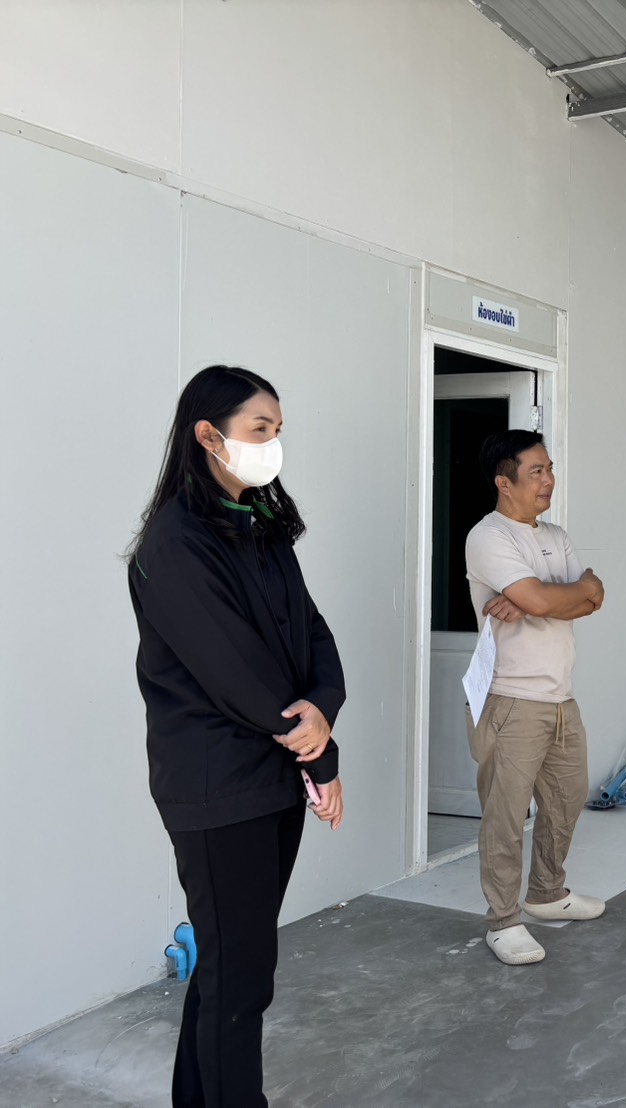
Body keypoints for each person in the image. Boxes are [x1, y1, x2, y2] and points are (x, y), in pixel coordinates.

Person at [128, 365, 345, 1107]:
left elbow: (310, 631)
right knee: (239, 977)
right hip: (217, 786)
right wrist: (319, 750)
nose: (273, 443)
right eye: (260, 428)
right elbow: (234, 670)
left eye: (278, 430)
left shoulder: (260, 525)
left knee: (230, 966)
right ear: (208, 435)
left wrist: (323, 709)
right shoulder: (175, 542)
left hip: (272, 774)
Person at [464, 429, 606, 965]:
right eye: (536, 472)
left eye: (549, 469)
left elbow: (591, 599)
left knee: (567, 798)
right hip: (510, 700)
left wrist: (543, 598)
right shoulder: (488, 537)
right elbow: (561, 598)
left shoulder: (555, 535)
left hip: (560, 697)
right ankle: (503, 921)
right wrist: (558, 595)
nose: (549, 480)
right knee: (505, 815)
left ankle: (547, 893)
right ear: (504, 482)